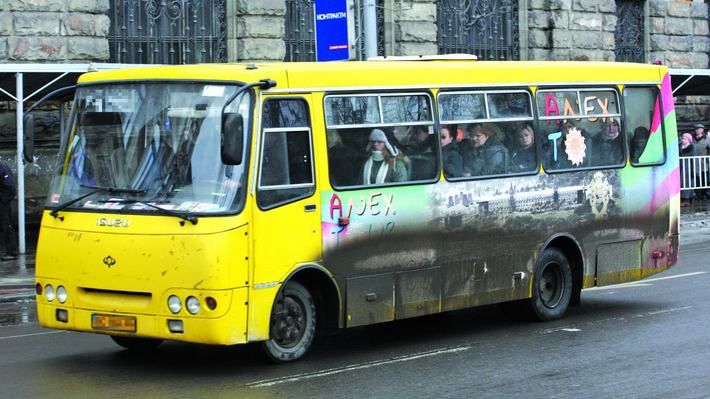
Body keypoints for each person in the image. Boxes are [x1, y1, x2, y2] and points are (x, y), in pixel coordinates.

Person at [0, 160, 17, 261]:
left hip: (3, 203)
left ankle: (11, 252)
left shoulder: (2, 168)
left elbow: (11, 189)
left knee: (7, 225)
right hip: (3, 200)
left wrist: (2, 200)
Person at [691, 123, 710, 199]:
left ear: (702, 130)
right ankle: (698, 194)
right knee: (696, 179)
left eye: (698, 129)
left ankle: (705, 193)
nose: (697, 130)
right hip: (693, 162)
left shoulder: (707, 138)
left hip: (703, 162)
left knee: (704, 178)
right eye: (696, 129)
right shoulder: (692, 138)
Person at [679, 133, 695, 206]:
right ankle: (681, 198)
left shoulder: (691, 147)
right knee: (680, 182)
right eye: (683, 138)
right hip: (680, 166)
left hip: (687, 167)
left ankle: (686, 199)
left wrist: (694, 169)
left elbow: (693, 158)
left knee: (686, 182)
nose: (683, 140)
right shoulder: (679, 146)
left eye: (685, 139)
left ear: (689, 140)